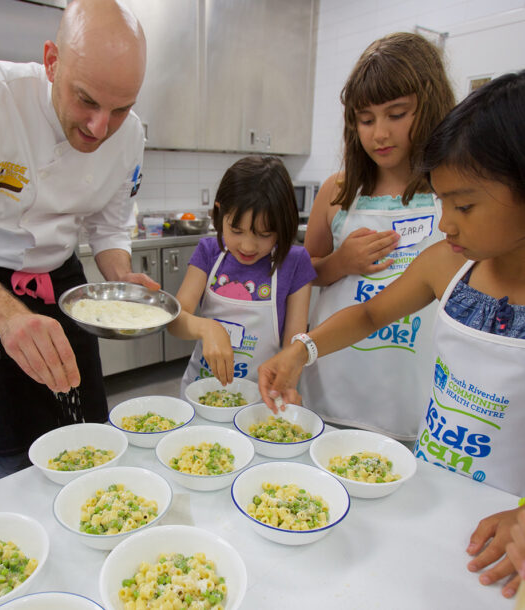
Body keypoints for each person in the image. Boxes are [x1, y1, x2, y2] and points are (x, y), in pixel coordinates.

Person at [259, 70, 525, 597]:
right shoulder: (446, 264)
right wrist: (302, 350)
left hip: (503, 525)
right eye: (443, 202)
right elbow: (369, 316)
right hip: (427, 488)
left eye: (464, 206)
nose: (446, 223)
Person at [0, 0, 157, 478]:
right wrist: (8, 315)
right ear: (52, 61)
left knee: (88, 420)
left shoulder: (129, 135)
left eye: (120, 109)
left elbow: (108, 228)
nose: (99, 127)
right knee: (11, 440)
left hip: (64, 278)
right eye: (87, 100)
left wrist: (121, 278)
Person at [299, 32, 455, 441]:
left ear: (431, 105)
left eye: (397, 114)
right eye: (366, 120)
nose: (379, 134)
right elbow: (302, 274)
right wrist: (338, 264)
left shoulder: (453, 193)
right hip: (334, 387)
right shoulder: (338, 192)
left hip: (414, 396)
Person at [168, 156, 315, 398]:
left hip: (261, 397)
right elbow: (174, 321)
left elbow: (293, 346)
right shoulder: (208, 252)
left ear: (283, 224)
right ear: (219, 213)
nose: (248, 246)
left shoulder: (295, 263)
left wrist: (287, 385)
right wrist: (206, 328)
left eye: (264, 234)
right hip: (202, 393)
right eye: (236, 231)